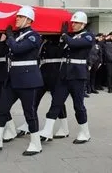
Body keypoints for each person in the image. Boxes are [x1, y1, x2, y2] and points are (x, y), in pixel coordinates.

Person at [0, 6, 44, 156]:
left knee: (29, 112)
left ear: (29, 20)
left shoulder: (34, 36)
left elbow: (18, 49)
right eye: (16, 16)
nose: (16, 19)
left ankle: (36, 143)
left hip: (28, 80)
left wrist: (9, 37)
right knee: (2, 109)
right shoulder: (17, 35)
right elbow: (2, 51)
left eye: (20, 17)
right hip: (12, 79)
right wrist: (1, 39)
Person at [40, 11, 93, 144]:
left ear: (83, 24)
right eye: (72, 22)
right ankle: (47, 130)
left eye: (76, 22)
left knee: (78, 105)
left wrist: (64, 35)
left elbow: (75, 45)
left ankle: (85, 132)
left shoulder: (88, 36)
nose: (73, 25)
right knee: (56, 103)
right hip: (64, 74)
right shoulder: (70, 36)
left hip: (77, 75)